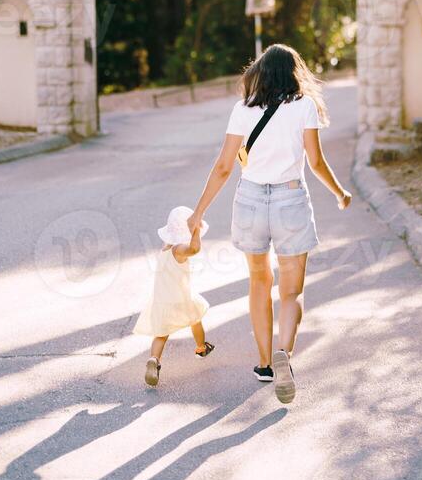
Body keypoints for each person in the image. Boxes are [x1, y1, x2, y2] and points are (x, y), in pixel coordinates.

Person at [188, 43, 351, 404]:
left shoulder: (242, 110)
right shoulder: (305, 106)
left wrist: (198, 213)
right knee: (291, 292)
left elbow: (224, 167)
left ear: (260, 73)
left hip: (249, 199)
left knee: (259, 282)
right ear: (295, 73)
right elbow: (316, 162)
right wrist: (340, 193)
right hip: (290, 199)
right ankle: (284, 354)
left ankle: (264, 363)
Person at [133, 205, 215, 388]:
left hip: (162, 302)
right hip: (182, 299)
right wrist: (196, 231)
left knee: (160, 335)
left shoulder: (165, 249)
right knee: (196, 320)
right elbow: (194, 249)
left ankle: (154, 359)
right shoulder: (178, 250)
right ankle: (201, 347)